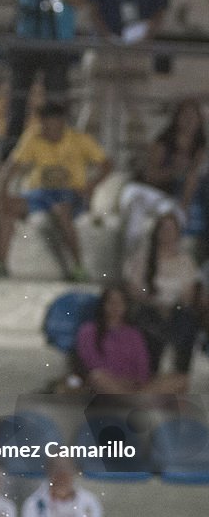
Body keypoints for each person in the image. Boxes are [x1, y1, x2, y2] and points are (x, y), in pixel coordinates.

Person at [0, 102, 112, 280]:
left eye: (53, 124)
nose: (48, 130)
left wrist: (91, 185)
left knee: (61, 209)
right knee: (6, 208)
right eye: (45, 125)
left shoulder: (79, 139)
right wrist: (2, 192)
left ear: (62, 123)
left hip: (69, 193)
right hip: (39, 193)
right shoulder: (33, 136)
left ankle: (78, 267)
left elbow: (107, 165)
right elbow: (12, 167)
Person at [3, 0, 88, 155]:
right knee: (18, 98)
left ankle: (58, 150)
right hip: (26, 37)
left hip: (57, 40)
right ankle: (11, 151)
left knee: (56, 98)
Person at [88, 0, 168, 160]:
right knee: (93, 104)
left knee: (137, 107)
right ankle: (87, 157)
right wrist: (107, 35)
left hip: (138, 47)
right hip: (104, 44)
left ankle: (135, 161)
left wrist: (146, 34)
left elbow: (160, 11)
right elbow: (92, 8)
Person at [124, 211, 203, 380]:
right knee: (149, 321)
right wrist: (154, 302)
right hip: (148, 308)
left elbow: (188, 295)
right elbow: (134, 290)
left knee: (186, 320)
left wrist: (172, 305)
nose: (167, 234)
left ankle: (179, 376)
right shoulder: (142, 259)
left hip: (176, 310)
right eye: (163, 229)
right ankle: (150, 373)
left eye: (171, 229)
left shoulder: (186, 261)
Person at [119, 97, 206, 249]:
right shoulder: (163, 143)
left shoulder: (200, 148)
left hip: (174, 202)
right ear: (177, 118)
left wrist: (183, 207)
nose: (189, 120)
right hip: (151, 193)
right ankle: (132, 253)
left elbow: (193, 178)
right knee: (135, 199)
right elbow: (150, 176)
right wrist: (174, 170)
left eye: (193, 116)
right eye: (185, 115)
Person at [75, 284, 188, 395]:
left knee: (180, 380)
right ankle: (137, 402)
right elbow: (91, 365)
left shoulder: (134, 333)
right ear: (103, 305)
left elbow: (143, 367)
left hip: (134, 386)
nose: (115, 306)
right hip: (106, 383)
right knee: (98, 377)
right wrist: (121, 381)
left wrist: (135, 383)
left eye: (120, 302)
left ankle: (133, 401)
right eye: (111, 302)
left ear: (126, 306)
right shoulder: (88, 331)